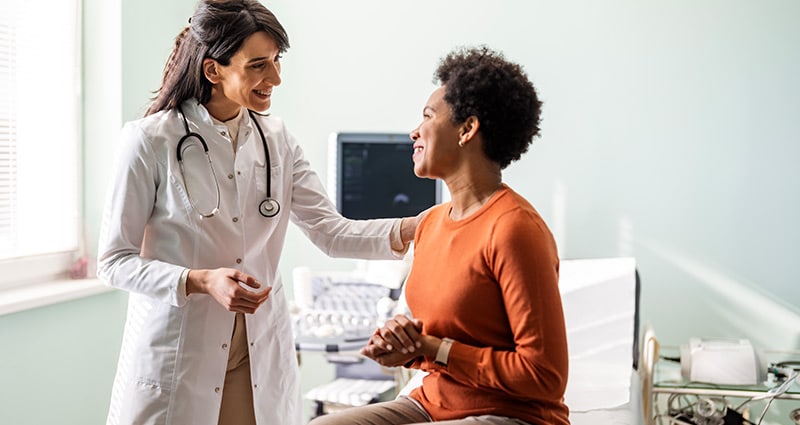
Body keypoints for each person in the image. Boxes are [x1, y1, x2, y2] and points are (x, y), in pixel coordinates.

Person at [96, 1, 421, 425]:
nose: (276, 78)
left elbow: (331, 231)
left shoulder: (277, 140)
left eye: (277, 61)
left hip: (257, 357)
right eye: (258, 65)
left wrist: (425, 227)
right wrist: (200, 280)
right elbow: (113, 262)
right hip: (181, 357)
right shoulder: (150, 142)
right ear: (214, 70)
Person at [307, 46, 570, 425]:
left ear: (467, 129)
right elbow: (439, 338)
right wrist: (406, 344)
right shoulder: (430, 224)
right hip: (433, 403)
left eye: (428, 116)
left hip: (509, 414)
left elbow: (545, 376)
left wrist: (435, 349)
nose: (414, 131)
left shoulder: (514, 229)